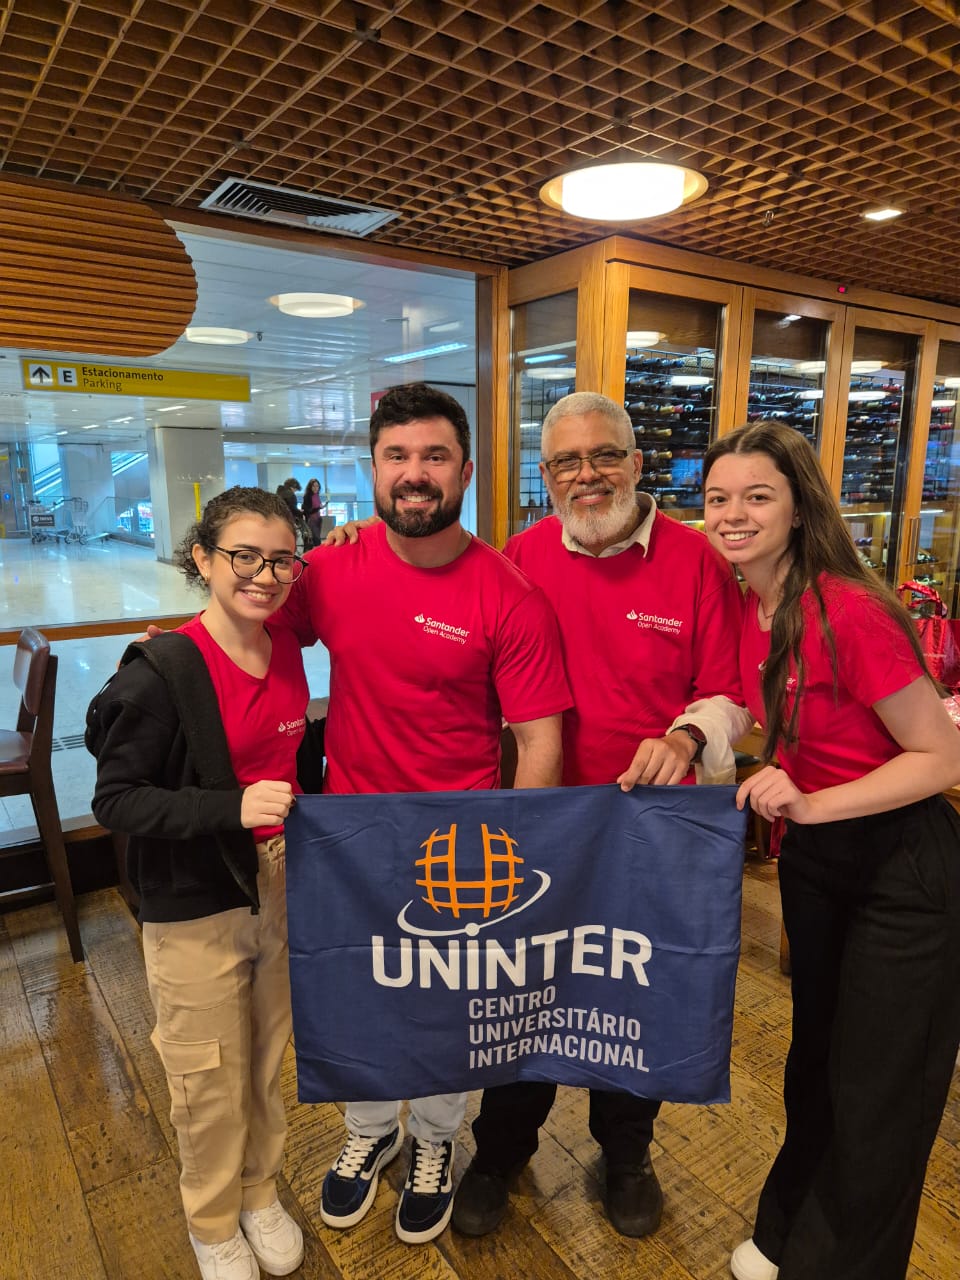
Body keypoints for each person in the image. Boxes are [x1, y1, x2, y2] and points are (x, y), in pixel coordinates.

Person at [273, 381, 571, 1246]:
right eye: (396, 456)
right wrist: (173, 652)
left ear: (465, 471)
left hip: (462, 842)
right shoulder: (330, 569)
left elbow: (539, 742)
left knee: (448, 1005)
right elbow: (251, 627)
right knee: (362, 995)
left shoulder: (509, 595)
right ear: (371, 469)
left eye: (434, 456)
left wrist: (519, 857)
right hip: (351, 835)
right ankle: (370, 1131)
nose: (414, 473)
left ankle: (437, 1139)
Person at [452, 391, 753, 1240]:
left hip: (651, 828)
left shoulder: (697, 561)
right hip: (542, 821)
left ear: (637, 462)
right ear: (545, 476)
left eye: (605, 455)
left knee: (632, 998)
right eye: (566, 462)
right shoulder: (518, 557)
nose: (587, 475)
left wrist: (687, 736)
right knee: (522, 992)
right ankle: (499, 1151)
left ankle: (626, 1153)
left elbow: (732, 694)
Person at [701, 421, 960, 1280]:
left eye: (757, 496)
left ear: (799, 507)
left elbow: (941, 758)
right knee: (815, 1063)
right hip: (817, 861)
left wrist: (810, 800)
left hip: (901, 867)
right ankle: (787, 1234)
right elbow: (786, 719)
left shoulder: (847, 608)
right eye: (718, 498)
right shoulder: (750, 604)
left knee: (880, 1091)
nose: (733, 514)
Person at [91, 487, 310, 1280]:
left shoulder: (284, 646)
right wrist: (232, 807)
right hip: (194, 902)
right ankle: (212, 1221)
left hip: (279, 884)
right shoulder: (164, 672)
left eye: (281, 560)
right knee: (206, 1075)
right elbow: (116, 799)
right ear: (202, 559)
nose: (264, 575)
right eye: (243, 556)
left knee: (264, 1058)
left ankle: (259, 1190)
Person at [300, 476, 327, 548]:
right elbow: (308, 511)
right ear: (310, 487)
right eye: (313, 486)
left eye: (317, 486)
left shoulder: (317, 495)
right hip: (311, 520)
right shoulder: (307, 496)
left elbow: (317, 507)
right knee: (316, 540)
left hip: (318, 519)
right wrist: (319, 508)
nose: (315, 488)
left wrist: (321, 507)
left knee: (317, 539)